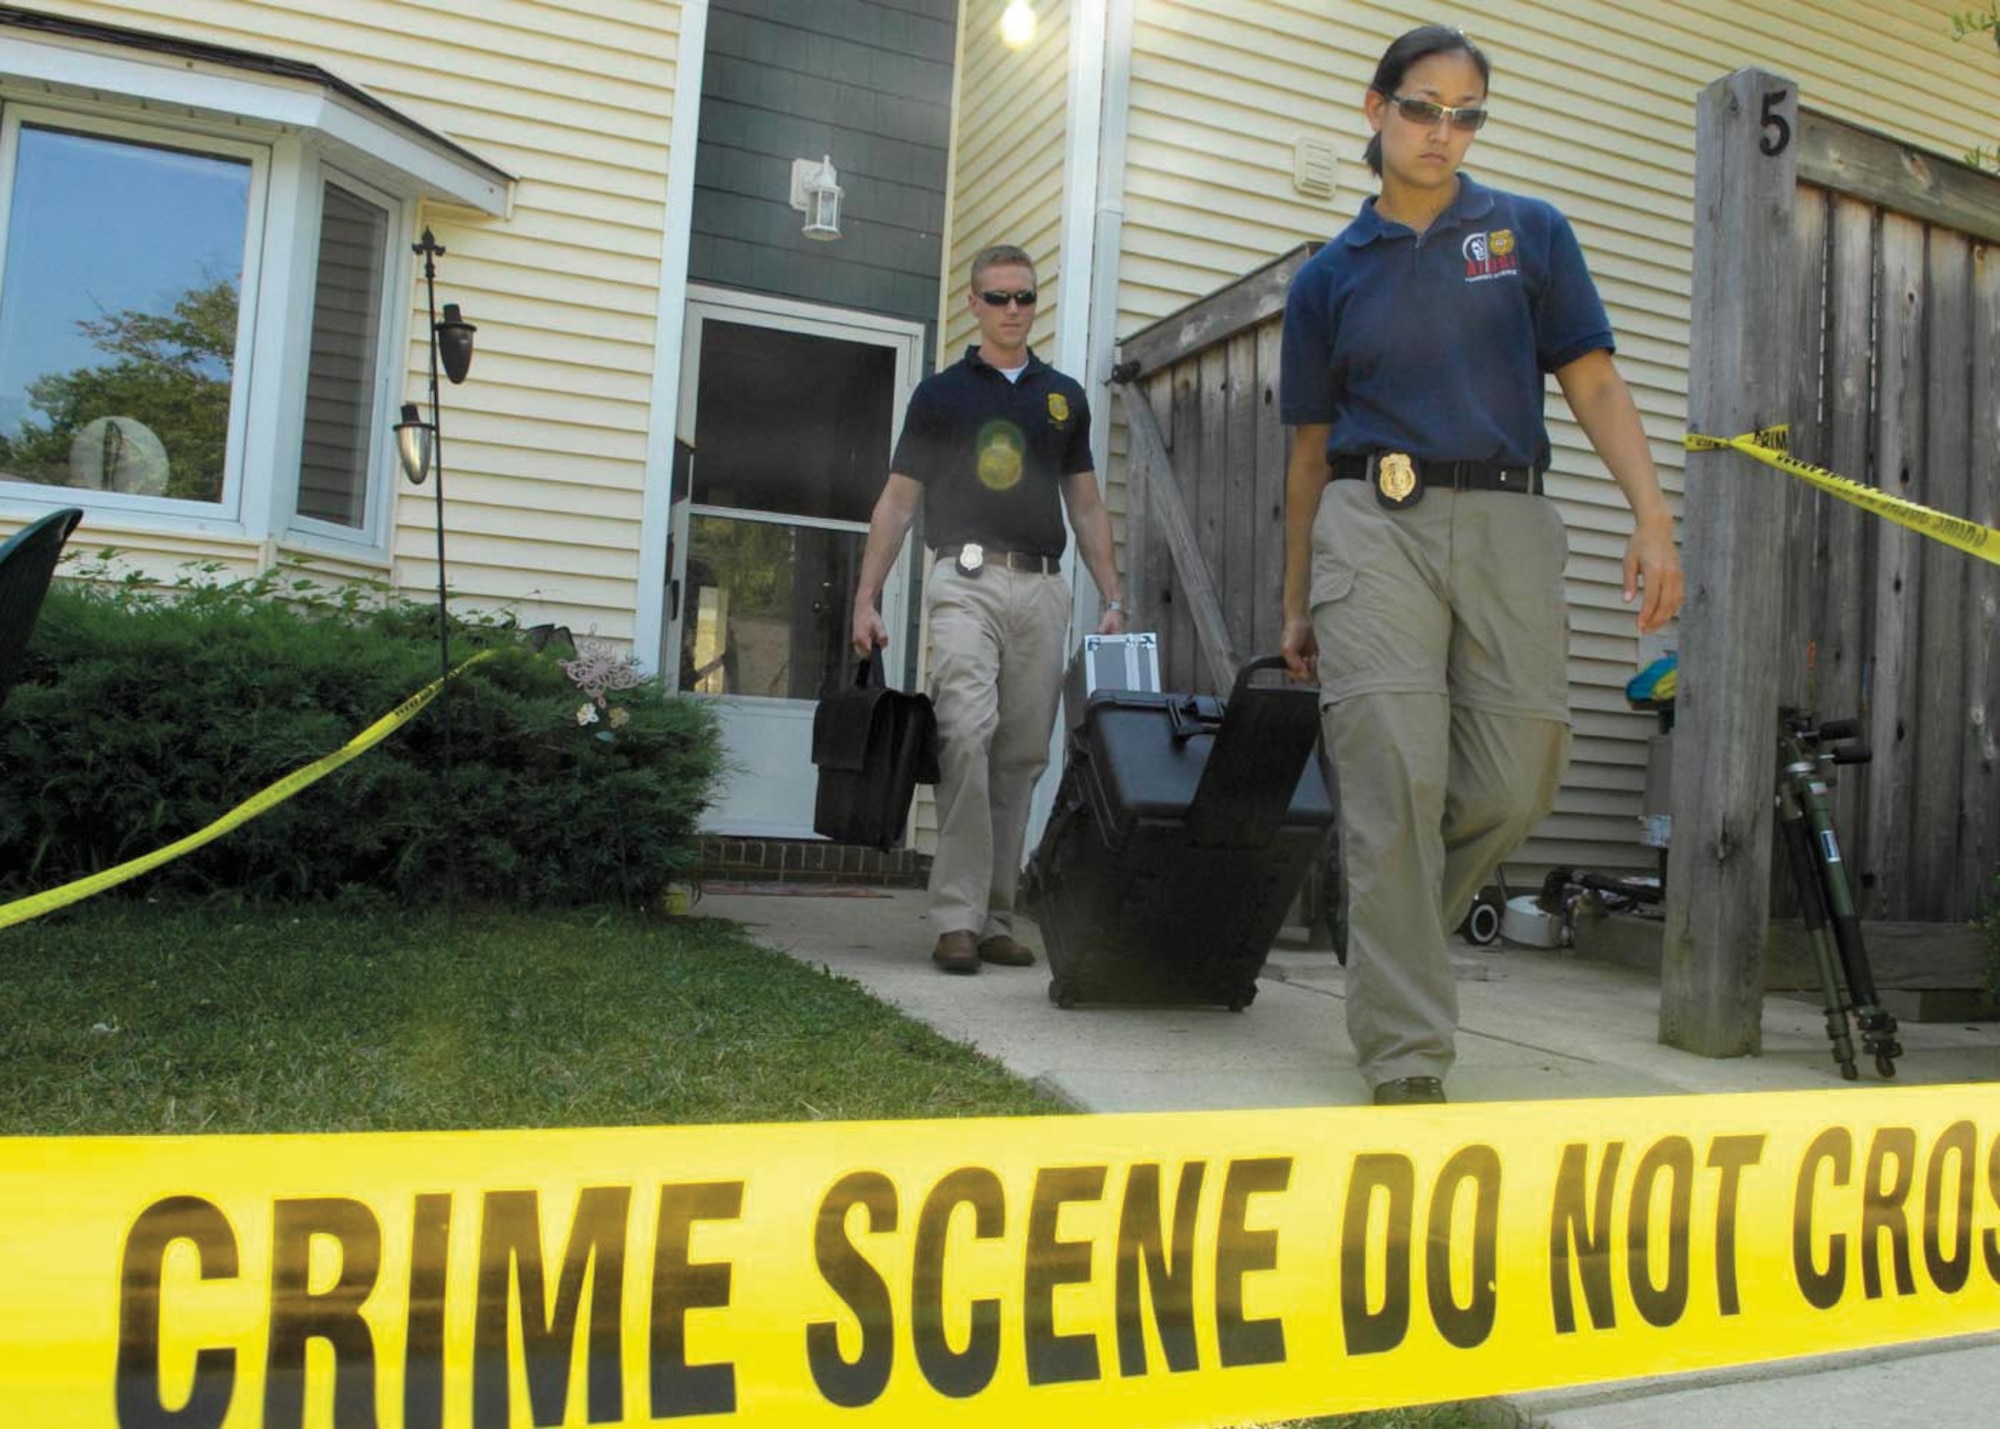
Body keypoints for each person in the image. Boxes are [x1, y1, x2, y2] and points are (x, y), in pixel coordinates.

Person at [1278, 25, 1683, 1104]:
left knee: (1517, 773)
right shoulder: (1327, 278)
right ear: (1374, 111)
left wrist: (1652, 519)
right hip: (1373, 525)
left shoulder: (1527, 234)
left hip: (1507, 522)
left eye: (1464, 115)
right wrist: (1294, 605)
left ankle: (1379, 909)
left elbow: (1591, 384)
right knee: (1395, 779)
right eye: (1420, 108)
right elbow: (1308, 456)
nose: (1440, 134)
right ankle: (1408, 1053)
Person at [852, 244, 1125, 975]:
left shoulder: (1062, 396)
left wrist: (1113, 593)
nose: (1013, 310)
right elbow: (899, 500)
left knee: (1021, 755)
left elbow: (1088, 503)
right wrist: (866, 595)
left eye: (1025, 297)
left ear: (1036, 304)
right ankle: (955, 917)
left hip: (1043, 585)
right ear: (972, 304)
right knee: (965, 731)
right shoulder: (940, 396)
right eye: (998, 297)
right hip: (964, 581)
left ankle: (996, 915)